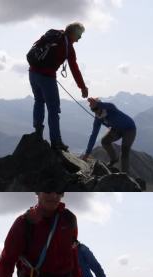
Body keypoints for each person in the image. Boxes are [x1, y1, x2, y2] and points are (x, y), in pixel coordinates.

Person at [28, 22, 89, 151]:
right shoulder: (68, 47)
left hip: (33, 73)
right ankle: (56, 142)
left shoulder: (52, 35)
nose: (79, 39)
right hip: (47, 78)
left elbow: (36, 47)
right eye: (79, 35)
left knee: (38, 101)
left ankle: (38, 133)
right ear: (73, 33)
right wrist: (82, 87)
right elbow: (74, 69)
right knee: (53, 110)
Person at [81, 98, 137, 174]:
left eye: (96, 108)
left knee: (125, 151)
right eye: (93, 110)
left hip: (129, 129)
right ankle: (114, 159)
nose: (95, 111)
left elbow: (107, 105)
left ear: (101, 106)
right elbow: (93, 135)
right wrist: (87, 153)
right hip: (116, 129)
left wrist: (97, 104)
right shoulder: (98, 119)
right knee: (104, 141)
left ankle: (124, 174)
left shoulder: (111, 108)